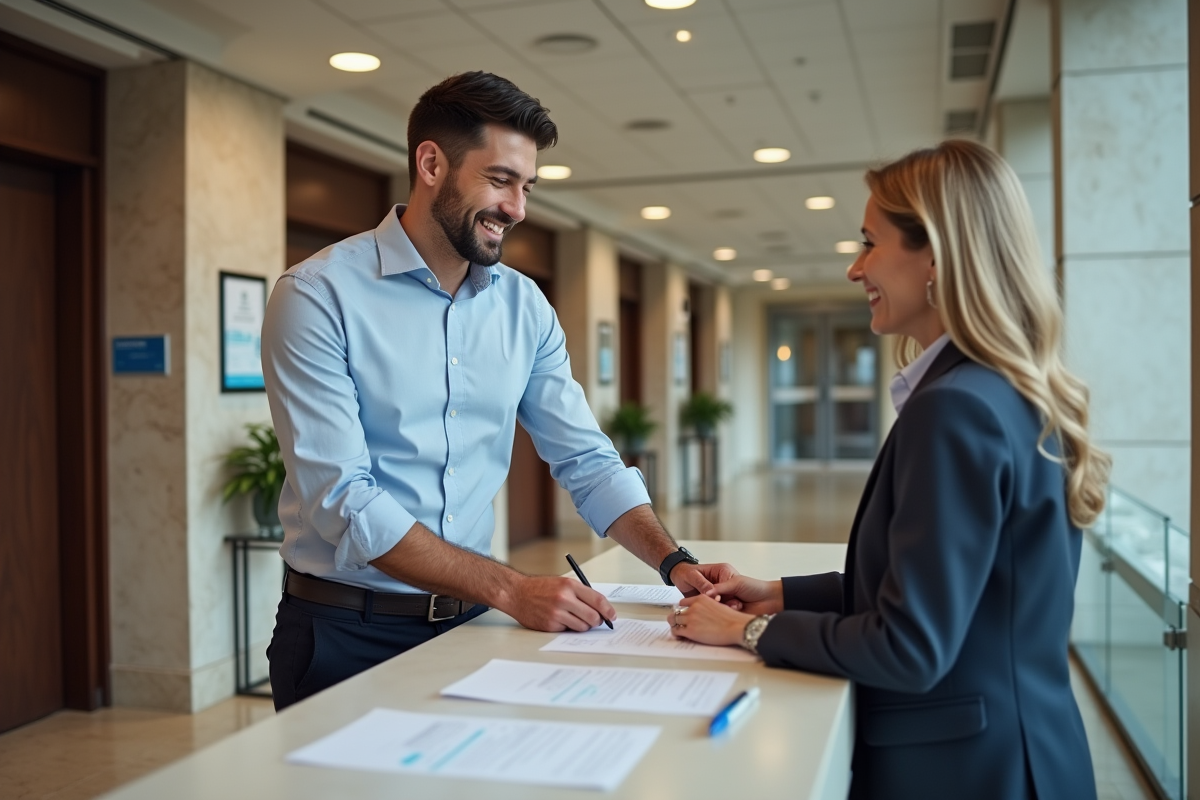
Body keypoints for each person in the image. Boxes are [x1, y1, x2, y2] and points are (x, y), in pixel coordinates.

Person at [261, 71, 727, 711]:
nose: (518, 208)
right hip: (344, 633)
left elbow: (585, 459)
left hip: (467, 626)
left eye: (527, 186)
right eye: (500, 180)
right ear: (431, 163)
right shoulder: (317, 296)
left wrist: (674, 564)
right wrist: (511, 590)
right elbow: (344, 500)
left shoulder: (523, 306)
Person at [667, 140, 1110, 800]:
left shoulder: (956, 410)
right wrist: (778, 592)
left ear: (935, 253)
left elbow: (910, 646)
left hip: (966, 772)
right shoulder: (1003, 391)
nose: (854, 268)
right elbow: (937, 593)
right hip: (1025, 752)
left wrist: (747, 629)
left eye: (870, 242)